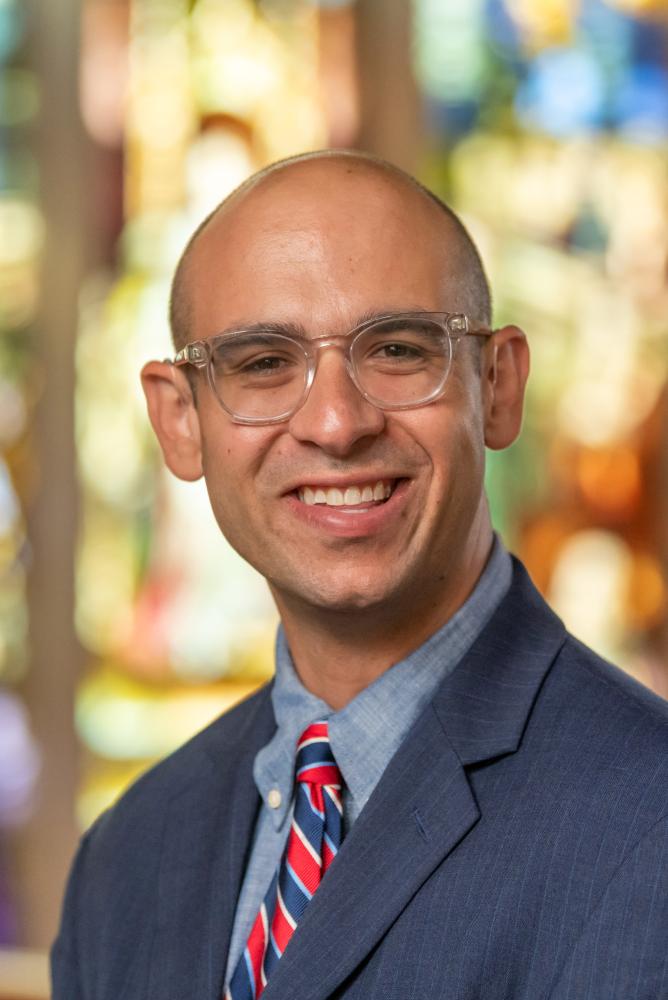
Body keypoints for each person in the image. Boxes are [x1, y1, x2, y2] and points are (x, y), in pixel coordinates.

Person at [52, 151, 668, 1000]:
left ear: (497, 386)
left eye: (398, 350)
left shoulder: (648, 820)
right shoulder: (128, 857)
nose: (337, 424)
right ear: (179, 420)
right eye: (263, 363)